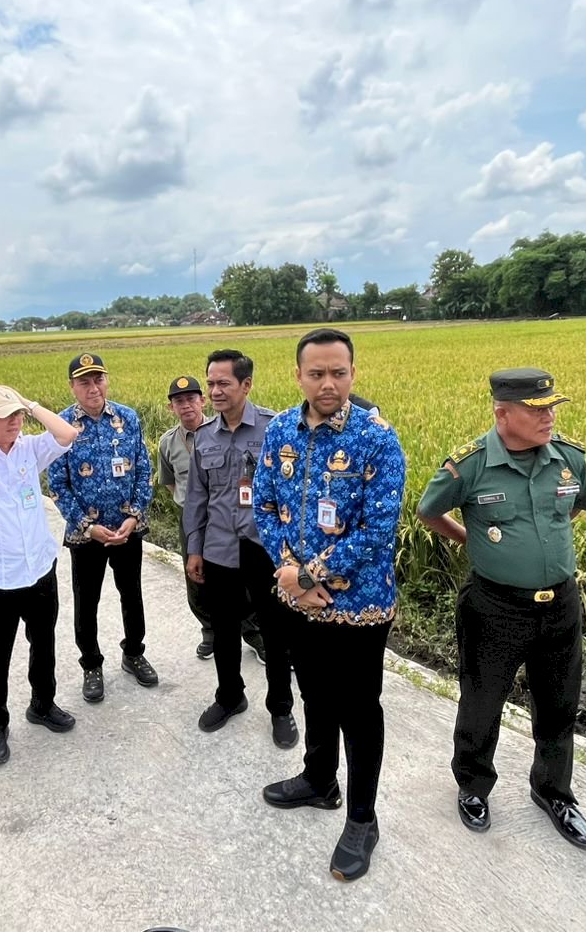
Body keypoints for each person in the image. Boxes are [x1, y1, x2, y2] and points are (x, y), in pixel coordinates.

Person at [416, 368, 586, 851]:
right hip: (494, 607)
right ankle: (473, 787)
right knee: (482, 702)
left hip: (560, 604)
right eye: (538, 410)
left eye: (552, 407)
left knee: (560, 705)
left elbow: (574, 507)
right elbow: (429, 511)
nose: (549, 417)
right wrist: (472, 541)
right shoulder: (470, 465)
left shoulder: (569, 458)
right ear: (503, 413)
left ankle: (553, 792)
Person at [252, 328, 405, 882]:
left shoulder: (376, 438)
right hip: (297, 601)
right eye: (316, 373)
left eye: (338, 372)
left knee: (359, 710)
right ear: (298, 376)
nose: (328, 383)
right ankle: (320, 779)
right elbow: (265, 508)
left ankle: (363, 818)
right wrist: (289, 577)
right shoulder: (279, 433)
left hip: (359, 607)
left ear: (353, 374)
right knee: (313, 691)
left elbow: (378, 530)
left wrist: (309, 573)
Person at [0, 384, 81, 766]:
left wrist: (30, 403)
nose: (15, 423)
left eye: (17, 416)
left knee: (44, 643)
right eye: (5, 417)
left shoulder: (28, 448)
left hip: (39, 567)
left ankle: (42, 704)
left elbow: (67, 434)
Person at [184, 351, 300, 748]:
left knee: (275, 632)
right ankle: (230, 696)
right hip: (217, 548)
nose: (214, 391)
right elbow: (197, 497)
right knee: (225, 630)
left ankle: (281, 708)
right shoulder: (203, 436)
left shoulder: (274, 429)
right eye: (211, 383)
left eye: (223, 384)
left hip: (263, 550)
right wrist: (193, 549)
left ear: (246, 385)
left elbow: (291, 495)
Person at [45, 353, 159, 703]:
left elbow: (143, 469)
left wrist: (134, 516)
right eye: (84, 382)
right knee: (86, 601)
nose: (93, 388)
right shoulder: (62, 426)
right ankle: (91, 664)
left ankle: (134, 652)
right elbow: (57, 486)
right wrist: (87, 525)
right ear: (72, 387)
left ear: (106, 381)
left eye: (98, 379)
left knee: (132, 594)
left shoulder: (127, 418)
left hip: (127, 529)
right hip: (85, 536)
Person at [156, 376, 219, 658]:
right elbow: (170, 482)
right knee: (195, 575)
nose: (186, 406)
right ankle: (209, 630)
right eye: (179, 401)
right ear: (172, 407)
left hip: (222, 516)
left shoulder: (222, 432)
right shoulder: (168, 443)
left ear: (202, 401)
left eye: (191, 399)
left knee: (236, 575)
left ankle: (252, 632)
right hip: (190, 519)